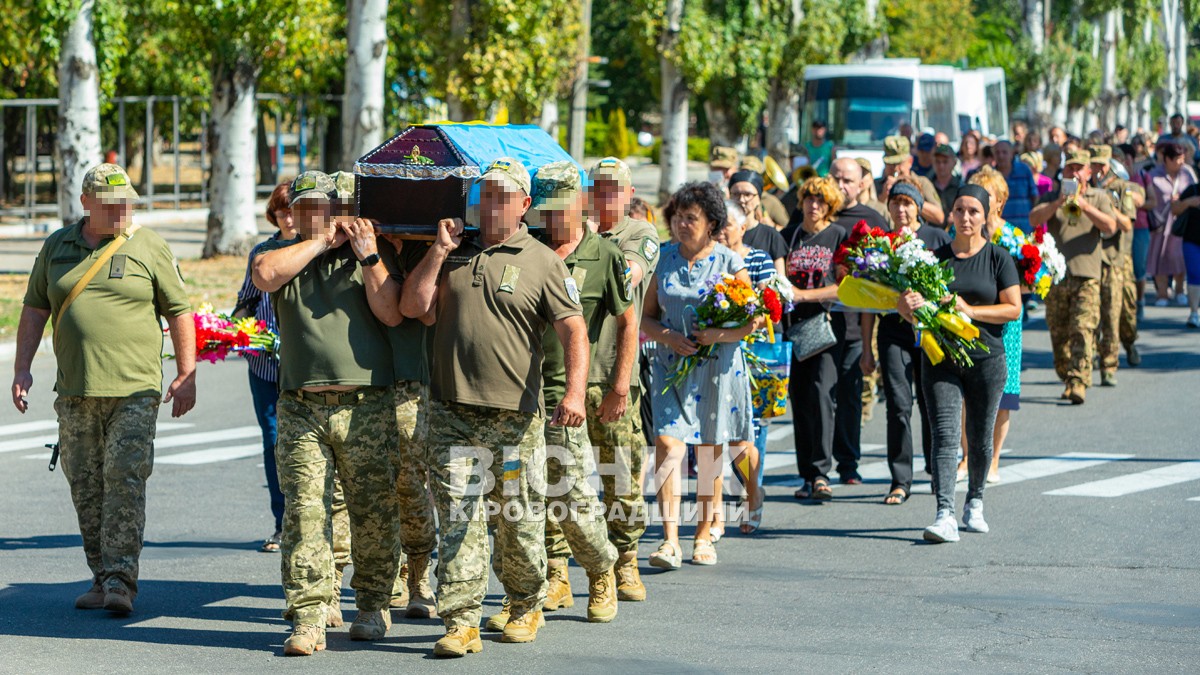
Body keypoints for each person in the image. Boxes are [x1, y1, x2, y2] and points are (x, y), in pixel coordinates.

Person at [399, 158, 589, 656]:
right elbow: (415, 308)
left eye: (503, 196)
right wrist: (439, 250)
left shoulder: (543, 260)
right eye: (485, 195)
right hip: (450, 411)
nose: (492, 205)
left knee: (516, 515)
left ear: (525, 204)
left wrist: (573, 393)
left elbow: (574, 330)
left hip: (513, 419)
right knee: (459, 518)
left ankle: (525, 604)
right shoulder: (456, 253)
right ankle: (461, 620)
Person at [13, 163, 196, 614]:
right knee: (85, 485)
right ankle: (100, 574)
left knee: (125, 480)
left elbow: (179, 311)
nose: (121, 211)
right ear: (86, 203)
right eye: (111, 204)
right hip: (75, 390)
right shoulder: (57, 246)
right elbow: (35, 309)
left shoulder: (148, 246)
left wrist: (186, 372)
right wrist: (22, 369)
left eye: (127, 203)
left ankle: (120, 581)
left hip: (134, 389)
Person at [252, 171, 401, 655]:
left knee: (372, 512)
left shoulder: (368, 254)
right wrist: (317, 242)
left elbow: (391, 313)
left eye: (325, 206)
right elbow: (264, 276)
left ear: (341, 208)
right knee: (304, 514)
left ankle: (374, 604)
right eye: (306, 207)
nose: (314, 214)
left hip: (366, 404)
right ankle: (310, 616)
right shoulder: (281, 255)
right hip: (301, 406)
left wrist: (369, 254)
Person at [509, 162, 625, 626]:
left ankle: (601, 568)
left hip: (565, 395)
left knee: (572, 499)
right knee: (518, 503)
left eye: (562, 208)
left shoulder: (604, 254)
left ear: (580, 201)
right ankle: (528, 594)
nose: (554, 219)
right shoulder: (525, 249)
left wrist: (617, 384)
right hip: (519, 396)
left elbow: (627, 322)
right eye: (546, 210)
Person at [642, 181, 759, 569]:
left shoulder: (730, 262)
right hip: (670, 366)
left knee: (710, 452)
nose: (681, 225)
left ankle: (704, 534)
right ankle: (669, 540)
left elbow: (754, 321)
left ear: (711, 223)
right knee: (667, 443)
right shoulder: (663, 258)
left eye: (690, 218)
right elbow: (646, 316)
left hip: (717, 368)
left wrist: (717, 335)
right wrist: (669, 337)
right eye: (676, 217)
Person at [898, 185, 1022, 543]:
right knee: (945, 436)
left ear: (985, 217)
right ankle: (944, 513)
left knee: (980, 440)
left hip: (986, 360)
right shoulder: (933, 258)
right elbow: (907, 313)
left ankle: (975, 502)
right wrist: (908, 305)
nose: (965, 218)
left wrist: (971, 310)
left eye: (973, 212)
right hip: (941, 359)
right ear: (950, 215)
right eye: (959, 211)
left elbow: (1012, 308)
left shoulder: (998, 258)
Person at [586, 157, 660, 603]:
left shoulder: (639, 234)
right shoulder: (573, 235)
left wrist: (587, 240)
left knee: (621, 477)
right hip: (569, 376)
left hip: (615, 374)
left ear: (629, 194)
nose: (605, 196)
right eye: (597, 187)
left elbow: (625, 278)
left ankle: (626, 559)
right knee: (560, 475)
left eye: (614, 188)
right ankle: (558, 569)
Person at [861, 182, 949, 504]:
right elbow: (868, 297)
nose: (901, 210)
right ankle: (900, 480)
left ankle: (938, 472)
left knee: (932, 404)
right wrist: (867, 349)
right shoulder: (880, 244)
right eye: (896, 203)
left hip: (930, 331)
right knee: (899, 405)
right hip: (893, 332)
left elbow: (950, 288)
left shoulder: (937, 239)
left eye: (908, 204)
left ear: (919, 208)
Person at [232, 182, 294, 553]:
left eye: (292, 210)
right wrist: (233, 330)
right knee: (273, 442)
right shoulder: (262, 252)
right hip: (265, 367)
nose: (287, 217)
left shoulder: (314, 250)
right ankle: (282, 522)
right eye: (281, 211)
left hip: (305, 369)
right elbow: (246, 301)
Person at [1029, 151, 1119, 404]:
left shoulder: (1099, 197)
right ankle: (1067, 375)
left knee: (1082, 328)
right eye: (1070, 169)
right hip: (1057, 277)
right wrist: (1058, 202)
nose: (1075, 173)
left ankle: (1079, 381)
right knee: (1059, 333)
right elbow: (1033, 219)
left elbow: (1111, 227)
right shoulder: (1053, 196)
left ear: (1089, 173)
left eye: (1080, 169)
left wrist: (1086, 206)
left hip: (1087, 275)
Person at [781, 177, 847, 501]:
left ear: (830, 205)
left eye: (821, 200)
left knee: (821, 395)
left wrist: (804, 295)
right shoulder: (789, 236)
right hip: (792, 328)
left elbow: (843, 287)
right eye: (809, 198)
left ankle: (821, 473)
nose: (814, 205)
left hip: (825, 326)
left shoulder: (838, 236)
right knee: (801, 400)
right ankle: (806, 475)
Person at [960, 167, 1022, 483]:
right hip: (966, 321)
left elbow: (1029, 284)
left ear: (999, 202)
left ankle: (994, 461)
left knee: (1002, 394)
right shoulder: (962, 232)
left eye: (987, 197)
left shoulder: (1013, 237)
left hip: (1005, 326)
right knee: (966, 391)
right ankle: (968, 458)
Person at [718, 199, 775, 534]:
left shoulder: (756, 258)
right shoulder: (710, 257)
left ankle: (752, 494)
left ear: (743, 226)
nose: (723, 230)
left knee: (740, 438)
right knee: (712, 438)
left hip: (748, 355)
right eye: (719, 224)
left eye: (728, 224)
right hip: (710, 354)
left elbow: (768, 304)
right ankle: (713, 514)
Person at [1090, 145, 1143, 383]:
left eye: (1101, 164)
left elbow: (1127, 223)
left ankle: (1127, 345)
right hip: (1090, 258)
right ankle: (1097, 358)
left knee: (1118, 313)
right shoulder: (1085, 189)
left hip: (1115, 259)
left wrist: (1108, 209)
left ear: (1109, 164)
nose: (1097, 169)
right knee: (1093, 312)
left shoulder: (1123, 189)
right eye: (1094, 164)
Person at [1148, 142, 1195, 307]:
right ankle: (1162, 294)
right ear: (1166, 159)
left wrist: (1182, 199)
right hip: (1160, 224)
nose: (1180, 162)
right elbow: (1149, 196)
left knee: (1179, 257)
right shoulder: (1154, 174)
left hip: (1180, 224)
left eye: (1182, 159)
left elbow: (1195, 191)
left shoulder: (1187, 173)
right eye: (1176, 159)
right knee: (1159, 258)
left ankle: (1180, 290)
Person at [729, 169, 788, 279]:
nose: (742, 200)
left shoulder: (771, 235)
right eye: (736, 194)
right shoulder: (720, 234)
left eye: (748, 194)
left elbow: (780, 281)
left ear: (759, 198)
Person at [878, 135, 944, 226]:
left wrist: (910, 195)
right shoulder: (877, 184)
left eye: (899, 163)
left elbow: (939, 217)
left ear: (910, 162)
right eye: (891, 164)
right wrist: (883, 196)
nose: (895, 168)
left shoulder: (922, 182)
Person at [1172, 177, 1200, 326]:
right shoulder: (1192, 190)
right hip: (1192, 241)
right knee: (1195, 275)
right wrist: (1189, 202)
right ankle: (1194, 313)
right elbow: (1174, 209)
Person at [993, 141, 1038, 230]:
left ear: (1012, 154)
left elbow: (1034, 197)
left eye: (1004, 152)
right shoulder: (991, 175)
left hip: (1025, 228)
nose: (1001, 156)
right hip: (1000, 230)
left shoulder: (1024, 170)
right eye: (997, 153)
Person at [738, 154, 791, 227]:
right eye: (743, 173)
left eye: (753, 174)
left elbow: (788, 229)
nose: (747, 178)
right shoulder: (732, 195)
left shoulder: (772, 202)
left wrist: (772, 225)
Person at [932, 144, 964, 216]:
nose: (941, 166)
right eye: (938, 161)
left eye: (945, 162)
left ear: (954, 163)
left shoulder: (961, 187)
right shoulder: (928, 185)